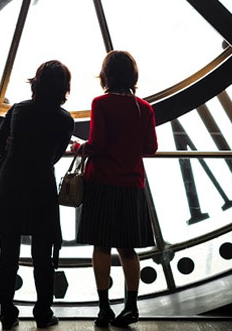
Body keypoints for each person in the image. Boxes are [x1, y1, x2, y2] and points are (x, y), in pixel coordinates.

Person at [74, 50, 158, 328]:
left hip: (102, 183)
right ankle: (131, 306)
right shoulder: (144, 108)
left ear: (106, 75)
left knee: (101, 247)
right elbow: (150, 148)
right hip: (131, 184)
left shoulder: (101, 103)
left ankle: (104, 308)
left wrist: (78, 148)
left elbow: (95, 144)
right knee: (128, 249)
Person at [0, 60, 74, 329]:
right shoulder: (65, 120)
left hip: (11, 185)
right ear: (64, 89)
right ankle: (42, 313)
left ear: (36, 84)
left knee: (8, 254)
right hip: (42, 188)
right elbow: (56, 156)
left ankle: (6, 312)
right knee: (43, 256)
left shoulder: (18, 111)